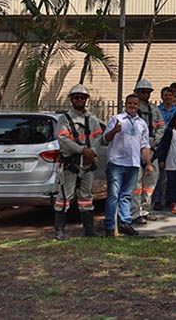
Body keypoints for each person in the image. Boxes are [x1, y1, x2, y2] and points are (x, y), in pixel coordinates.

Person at [53, 83, 104, 239]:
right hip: (71, 163)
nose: (79, 100)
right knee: (64, 197)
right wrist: (82, 150)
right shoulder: (64, 119)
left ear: (86, 99)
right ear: (71, 99)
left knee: (86, 197)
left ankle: (89, 230)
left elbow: (98, 137)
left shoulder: (92, 119)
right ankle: (59, 230)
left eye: (82, 97)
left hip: (87, 164)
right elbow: (63, 139)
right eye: (76, 97)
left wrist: (92, 152)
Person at [103, 94, 152, 237]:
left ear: (138, 106)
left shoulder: (142, 123)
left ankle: (125, 223)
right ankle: (110, 226)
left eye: (135, 104)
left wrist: (148, 163)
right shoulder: (116, 119)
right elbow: (106, 138)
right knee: (113, 196)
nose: (132, 106)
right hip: (116, 164)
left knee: (126, 196)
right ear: (126, 104)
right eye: (130, 103)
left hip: (133, 164)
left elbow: (145, 145)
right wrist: (114, 131)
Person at [131, 79, 164, 225]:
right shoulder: (132, 110)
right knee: (136, 184)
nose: (145, 95)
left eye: (147, 92)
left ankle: (145, 209)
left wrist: (155, 141)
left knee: (150, 184)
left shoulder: (154, 110)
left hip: (152, 152)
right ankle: (134, 212)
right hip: (136, 153)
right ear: (137, 92)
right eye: (142, 92)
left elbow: (161, 128)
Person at [154, 86, 176, 210]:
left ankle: (169, 198)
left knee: (170, 175)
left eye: (170, 95)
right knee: (159, 175)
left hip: (174, 145)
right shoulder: (156, 110)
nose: (168, 97)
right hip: (160, 145)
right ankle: (157, 200)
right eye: (166, 95)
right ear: (162, 97)